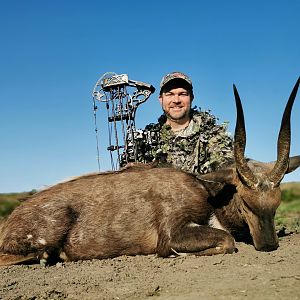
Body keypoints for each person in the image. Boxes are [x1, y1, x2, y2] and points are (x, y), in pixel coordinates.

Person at [122, 71, 233, 175]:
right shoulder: (143, 140)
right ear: (161, 99)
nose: (176, 100)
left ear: (191, 98)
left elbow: (227, 173)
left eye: (182, 94)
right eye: (170, 94)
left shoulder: (214, 137)